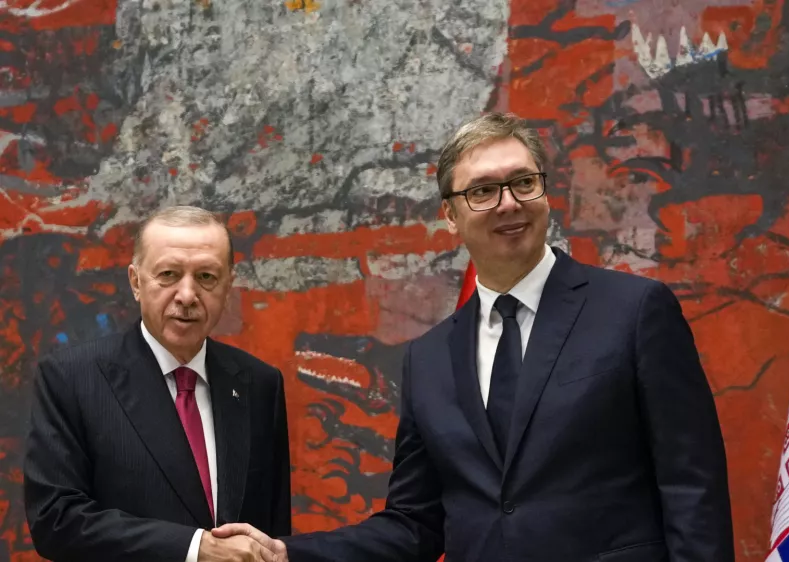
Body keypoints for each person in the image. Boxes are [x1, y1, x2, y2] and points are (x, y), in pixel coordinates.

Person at [216, 112, 734, 561]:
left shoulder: (635, 311)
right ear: (450, 214)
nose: (508, 203)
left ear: (545, 192)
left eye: (523, 182)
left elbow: (693, 487)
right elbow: (416, 524)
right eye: (483, 190)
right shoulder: (429, 358)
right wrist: (289, 553)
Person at [23, 206, 291, 562]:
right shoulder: (72, 378)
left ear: (228, 284)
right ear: (136, 282)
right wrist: (195, 549)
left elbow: (273, 533)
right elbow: (56, 521)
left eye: (207, 277)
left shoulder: (260, 384)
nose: (187, 295)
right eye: (168, 274)